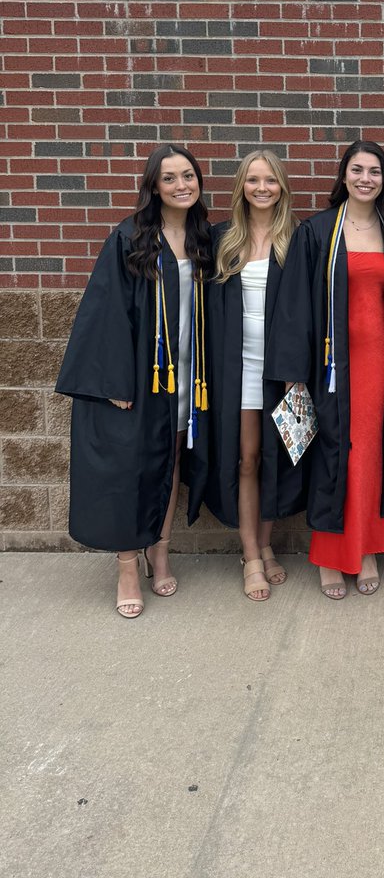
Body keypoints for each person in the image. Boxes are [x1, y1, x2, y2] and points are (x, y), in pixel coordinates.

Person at [56, 144, 211, 618]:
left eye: (189, 176)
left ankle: (159, 553)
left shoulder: (205, 239)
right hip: (143, 380)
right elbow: (107, 315)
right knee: (131, 469)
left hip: (189, 375)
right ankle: (128, 566)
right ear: (154, 187)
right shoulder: (130, 239)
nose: (182, 185)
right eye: (170, 178)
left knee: (171, 463)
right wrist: (116, 383)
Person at [266, 140, 384, 599]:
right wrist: (294, 373)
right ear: (344, 176)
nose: (366, 178)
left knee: (372, 454)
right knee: (336, 454)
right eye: (357, 170)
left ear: (383, 178)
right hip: (332, 368)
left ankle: (367, 546)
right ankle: (331, 555)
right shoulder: (320, 232)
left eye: (374, 170)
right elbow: (293, 306)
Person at [206, 149, 303, 601]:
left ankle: (265, 545)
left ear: (282, 187)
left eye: (270, 181)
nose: (262, 188)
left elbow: (308, 311)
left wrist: (296, 369)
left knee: (274, 459)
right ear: (241, 187)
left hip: (280, 369)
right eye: (253, 180)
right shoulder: (221, 239)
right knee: (246, 458)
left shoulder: (298, 239)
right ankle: (250, 557)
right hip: (237, 367)